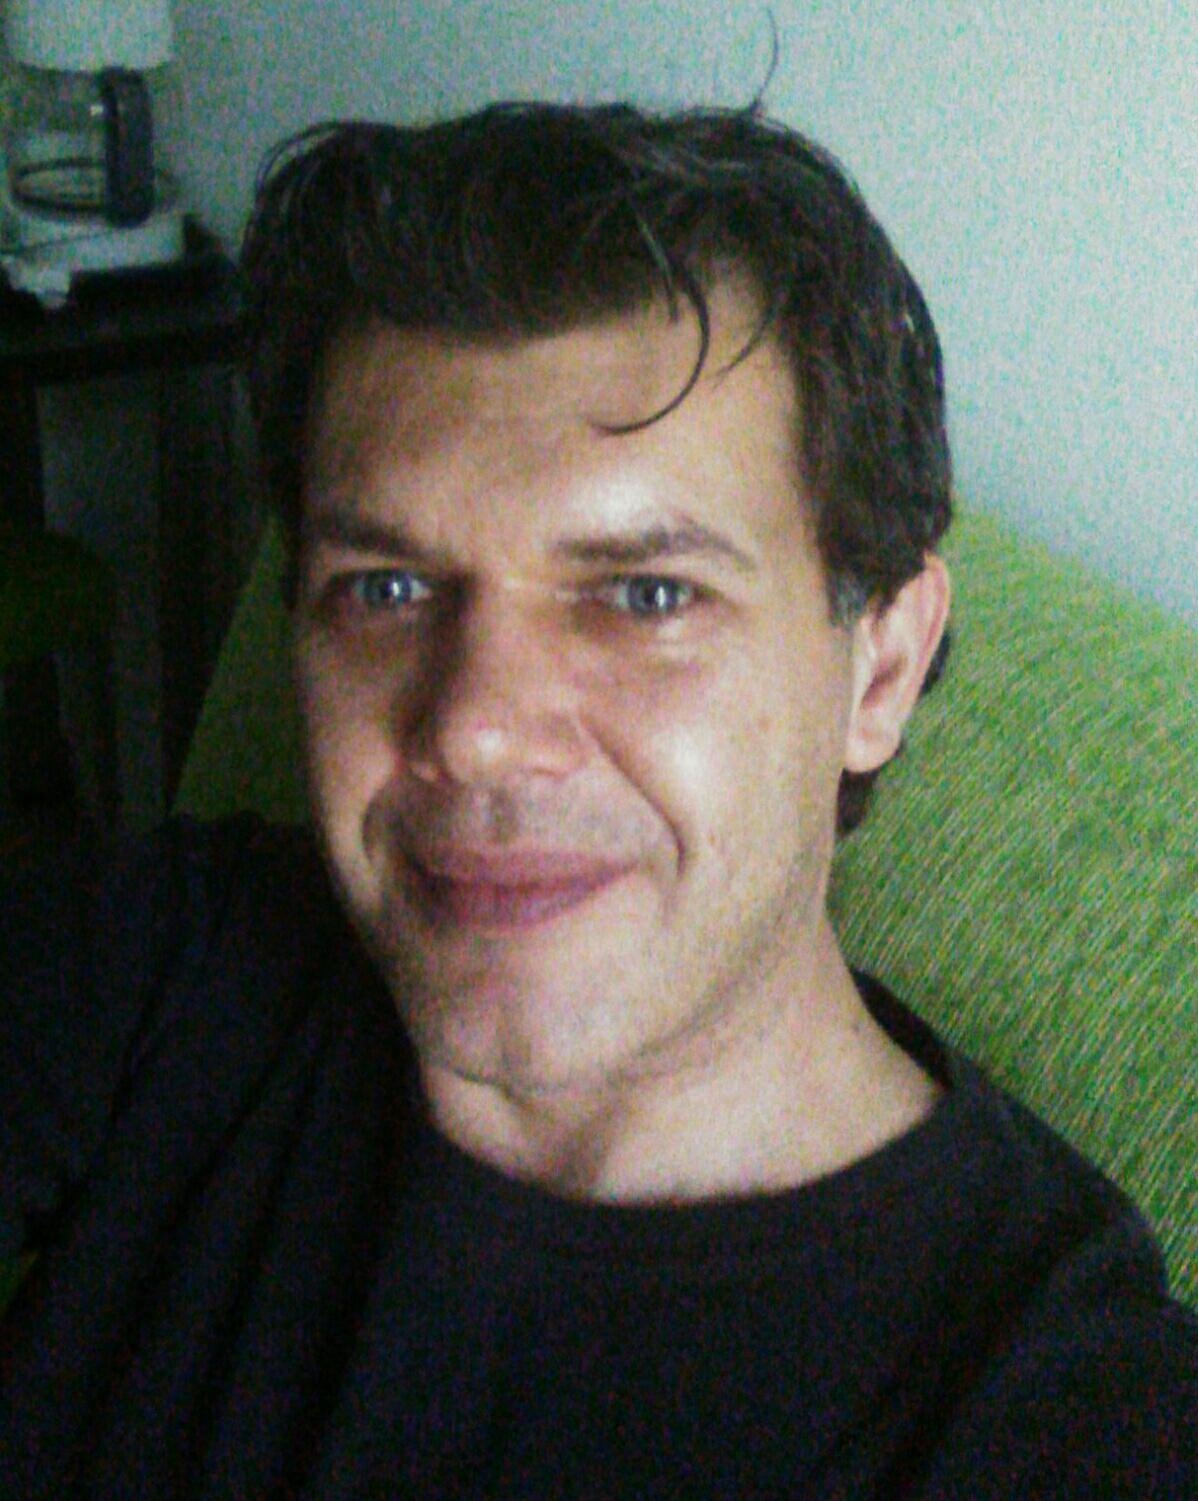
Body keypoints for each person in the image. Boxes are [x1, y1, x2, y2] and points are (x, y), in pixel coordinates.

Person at [1, 101, 1194, 1499]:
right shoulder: (168, 961)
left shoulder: (1064, 1413)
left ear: (879, 667)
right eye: (387, 587)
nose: (474, 731)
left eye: (646, 595)